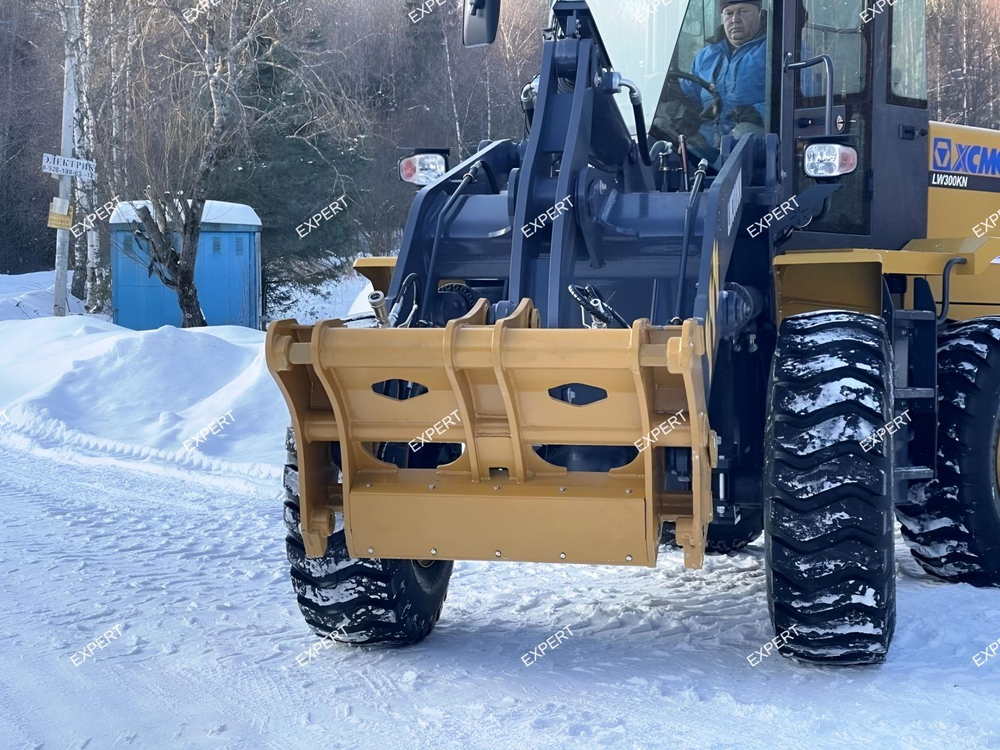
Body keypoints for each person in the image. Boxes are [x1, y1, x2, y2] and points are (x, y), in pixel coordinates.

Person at [680, 0, 767, 147]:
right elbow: (688, 94)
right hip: (706, 140)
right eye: (729, 13)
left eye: (743, 12)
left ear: (759, 13)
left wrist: (760, 112)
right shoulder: (705, 56)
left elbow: (799, 100)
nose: (735, 19)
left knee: (744, 133)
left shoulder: (776, 49)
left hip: (756, 144)